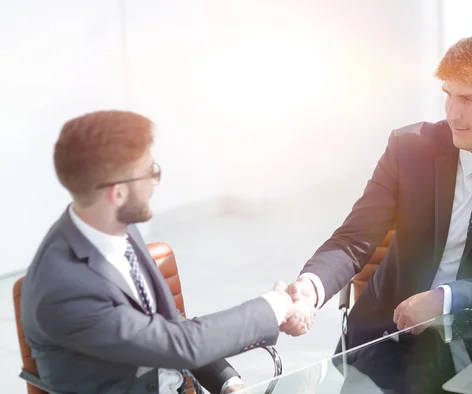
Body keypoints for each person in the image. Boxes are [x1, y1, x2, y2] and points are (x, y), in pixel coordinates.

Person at [280, 29, 472, 348]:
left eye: (468, 99)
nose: (452, 112)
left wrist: (447, 299)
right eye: (448, 94)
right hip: (393, 337)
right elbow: (354, 239)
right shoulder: (408, 148)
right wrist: (311, 288)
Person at [20, 110, 315, 394]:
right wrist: (277, 305)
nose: (155, 182)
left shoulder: (116, 226)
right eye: (151, 172)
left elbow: (168, 324)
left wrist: (228, 383)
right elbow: (178, 344)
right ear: (118, 193)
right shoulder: (62, 288)